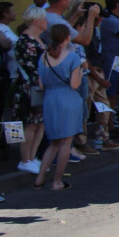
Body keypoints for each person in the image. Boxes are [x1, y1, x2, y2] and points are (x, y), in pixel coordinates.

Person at [34, 25, 84, 190]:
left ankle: (40, 178)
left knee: (54, 142)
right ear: (67, 38)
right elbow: (74, 84)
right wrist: (81, 74)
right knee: (66, 143)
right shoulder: (72, 57)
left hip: (50, 99)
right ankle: (57, 181)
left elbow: (41, 83)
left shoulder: (43, 57)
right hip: (67, 99)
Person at [13, 6, 49, 173]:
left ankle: (33, 157)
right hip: (30, 86)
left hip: (42, 85)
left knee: (40, 123)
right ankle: (25, 158)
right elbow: (30, 67)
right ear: (36, 21)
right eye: (44, 19)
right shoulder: (25, 41)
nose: (46, 22)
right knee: (30, 123)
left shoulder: (40, 39)